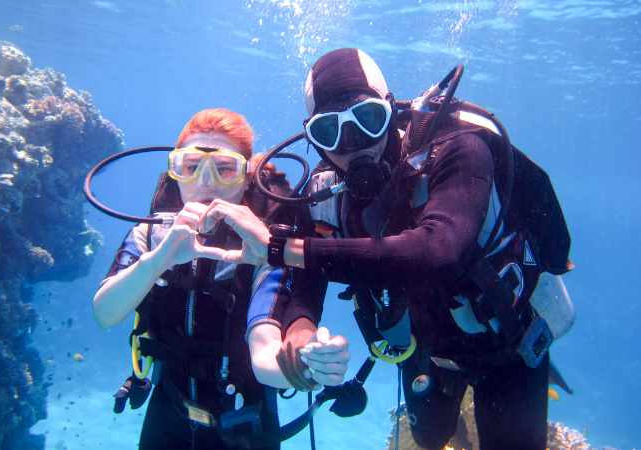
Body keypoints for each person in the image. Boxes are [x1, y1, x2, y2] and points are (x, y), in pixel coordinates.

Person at [195, 49, 573, 450]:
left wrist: (280, 248)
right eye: (330, 131)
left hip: (508, 347)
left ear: (390, 110)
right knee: (429, 438)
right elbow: (304, 285)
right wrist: (301, 333)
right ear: (313, 137)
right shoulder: (325, 195)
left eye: (368, 119)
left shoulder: (458, 148)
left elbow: (439, 251)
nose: (352, 145)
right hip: (424, 351)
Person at [92, 108, 350, 450]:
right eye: (191, 166)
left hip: (245, 426)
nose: (206, 182)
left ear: (246, 178)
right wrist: (159, 259)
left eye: (225, 169)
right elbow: (105, 313)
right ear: (175, 173)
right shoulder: (149, 236)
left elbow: (264, 351)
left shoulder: (262, 249)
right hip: (167, 416)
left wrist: (305, 365)